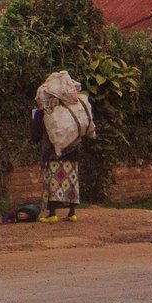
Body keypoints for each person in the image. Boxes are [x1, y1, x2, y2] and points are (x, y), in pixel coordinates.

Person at [31, 70, 94, 222]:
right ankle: (72, 213)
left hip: (53, 153)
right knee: (71, 180)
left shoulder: (44, 112)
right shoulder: (73, 106)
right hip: (73, 150)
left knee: (52, 181)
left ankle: (52, 214)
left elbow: (35, 134)